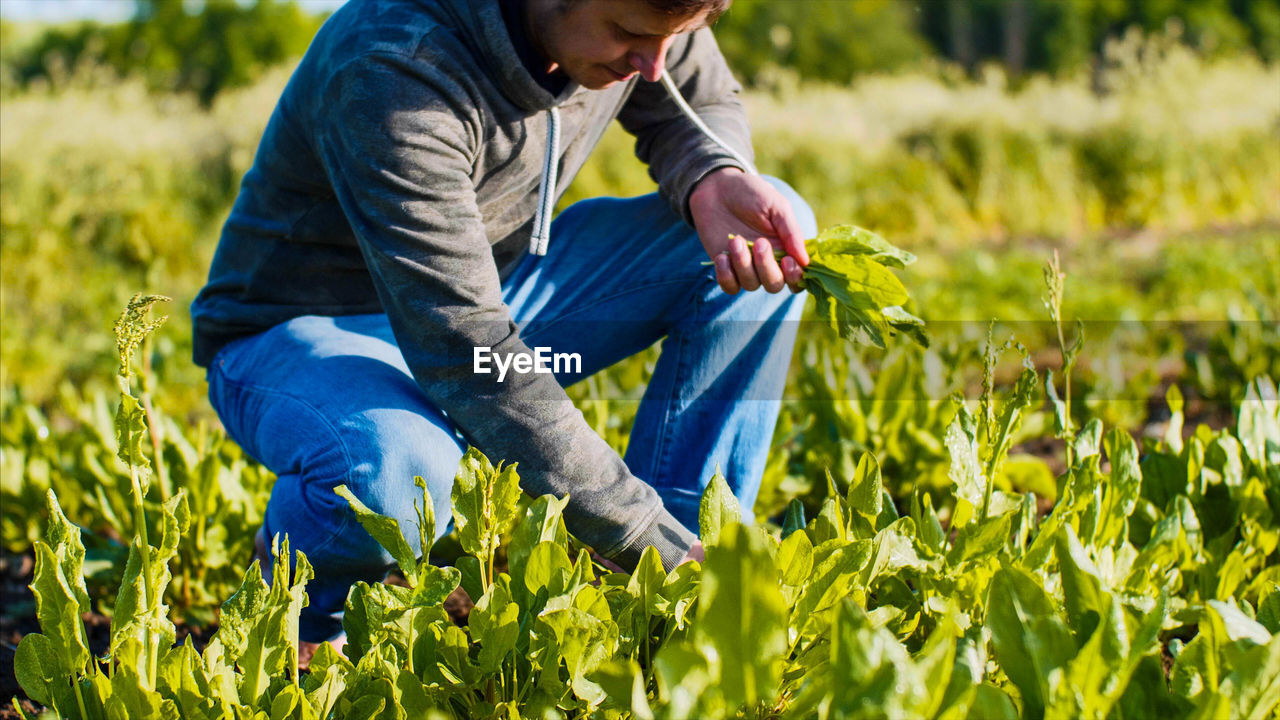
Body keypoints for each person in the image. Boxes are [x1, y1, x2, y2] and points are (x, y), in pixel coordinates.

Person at [191, 0, 817, 648]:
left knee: (760, 241)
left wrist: (712, 177)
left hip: (490, 291)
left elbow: (695, 98)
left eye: (672, 38)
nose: (652, 65)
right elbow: (470, 354)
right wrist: (636, 534)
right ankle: (289, 630)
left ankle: (688, 585)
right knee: (394, 472)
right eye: (630, 35)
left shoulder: (641, 15)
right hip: (314, 330)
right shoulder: (399, 62)